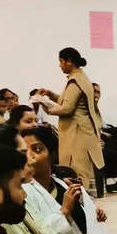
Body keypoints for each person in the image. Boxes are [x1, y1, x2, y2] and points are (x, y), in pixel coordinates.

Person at [38, 47, 105, 188]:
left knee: (78, 167)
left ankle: (81, 195)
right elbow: (67, 101)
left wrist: (45, 106)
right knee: (83, 165)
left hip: (77, 131)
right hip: (84, 129)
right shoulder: (81, 77)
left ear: (69, 61)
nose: (59, 65)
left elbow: (67, 108)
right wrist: (50, 94)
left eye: (61, 61)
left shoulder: (75, 81)